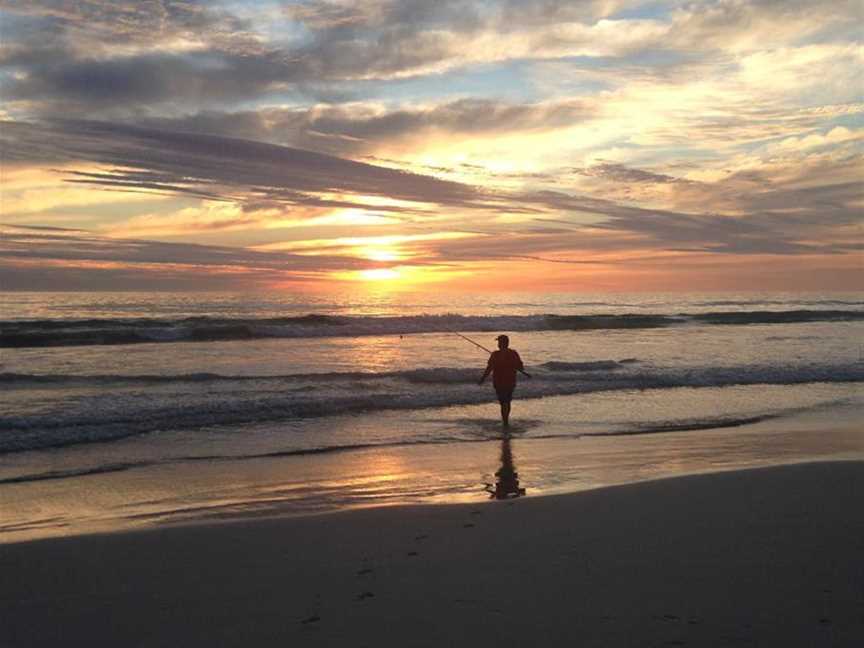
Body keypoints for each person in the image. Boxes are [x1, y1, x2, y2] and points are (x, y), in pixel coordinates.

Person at [478, 334, 531, 427]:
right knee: (507, 401)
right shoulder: (513, 353)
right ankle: (505, 420)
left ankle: (505, 421)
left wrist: (483, 378)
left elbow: (489, 368)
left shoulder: (495, 354)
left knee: (503, 402)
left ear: (501, 343)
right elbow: (521, 367)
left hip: (499, 381)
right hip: (510, 381)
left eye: (499, 341)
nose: (498, 343)